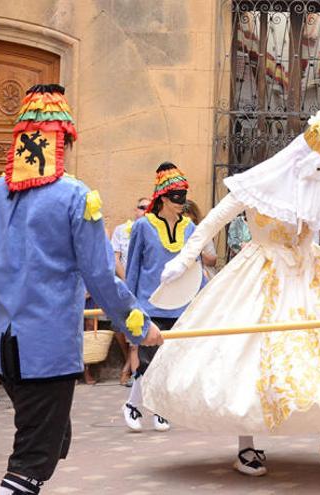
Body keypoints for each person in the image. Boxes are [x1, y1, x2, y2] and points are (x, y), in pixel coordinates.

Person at [144, 104, 320, 477]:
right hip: (261, 275)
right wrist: (183, 260)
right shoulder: (257, 184)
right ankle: (248, 445)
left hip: (313, 274)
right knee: (250, 353)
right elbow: (212, 221)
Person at [0, 84, 161, 495]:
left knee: (52, 439)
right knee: (33, 460)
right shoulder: (75, 195)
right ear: (62, 141)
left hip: (4, 351)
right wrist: (138, 325)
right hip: (46, 352)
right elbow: (100, 276)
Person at [122, 162, 197, 433]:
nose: (182, 203)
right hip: (149, 304)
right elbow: (133, 268)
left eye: (184, 197)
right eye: (176, 198)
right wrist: (129, 308)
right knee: (147, 360)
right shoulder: (143, 226)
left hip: (180, 305)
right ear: (163, 198)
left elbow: (194, 269)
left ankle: (158, 408)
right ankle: (134, 405)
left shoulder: (190, 228)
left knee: (168, 363)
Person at [110, 197, 150, 385]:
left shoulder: (152, 229)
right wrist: (128, 279)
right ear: (136, 210)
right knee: (120, 327)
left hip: (145, 288)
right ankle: (130, 368)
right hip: (125, 284)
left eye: (149, 207)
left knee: (138, 333)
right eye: (142, 207)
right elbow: (114, 258)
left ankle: (130, 372)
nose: (145, 210)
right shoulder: (121, 230)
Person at [183, 199, 218, 279]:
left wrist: (196, 252)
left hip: (202, 276)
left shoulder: (202, 232)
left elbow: (213, 261)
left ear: (194, 218)